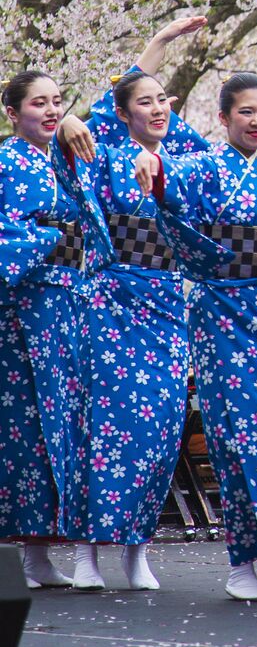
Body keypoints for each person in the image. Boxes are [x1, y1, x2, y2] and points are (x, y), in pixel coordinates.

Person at [133, 71, 257, 602]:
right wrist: (152, 163)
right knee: (241, 433)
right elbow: (164, 183)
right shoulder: (201, 169)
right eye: (246, 112)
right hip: (221, 309)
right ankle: (241, 562)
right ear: (223, 119)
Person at [51, 17, 210, 591]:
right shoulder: (103, 149)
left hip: (167, 301)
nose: (159, 108)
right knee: (108, 423)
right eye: (145, 102)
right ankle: (87, 554)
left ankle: (137, 549)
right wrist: (68, 117)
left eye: (163, 100)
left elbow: (247, 143)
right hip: (112, 301)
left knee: (162, 425)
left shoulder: (185, 151)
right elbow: (66, 133)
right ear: (122, 115)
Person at [0, 70, 83, 588]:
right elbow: (10, 234)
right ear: (12, 112)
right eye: (38, 104)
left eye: (57, 102)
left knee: (54, 424)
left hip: (62, 305)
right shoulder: (8, 161)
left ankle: (38, 553)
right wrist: (53, 236)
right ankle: (21, 554)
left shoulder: (59, 155)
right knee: (23, 428)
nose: (51, 111)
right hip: (21, 307)